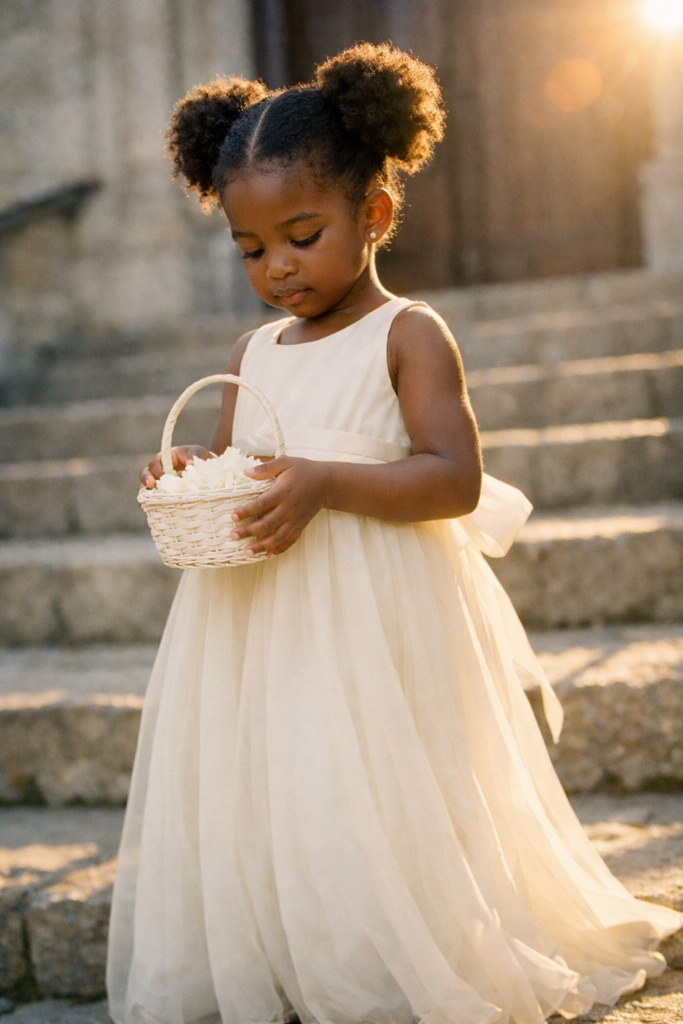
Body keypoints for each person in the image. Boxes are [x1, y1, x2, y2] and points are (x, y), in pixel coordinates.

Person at [107, 43, 682, 1024]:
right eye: (251, 250)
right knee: (291, 785)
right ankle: (299, 945)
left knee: (380, 784)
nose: (277, 266)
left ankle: (399, 954)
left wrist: (328, 481)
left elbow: (452, 478)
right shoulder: (250, 350)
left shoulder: (406, 333)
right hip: (264, 618)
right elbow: (234, 459)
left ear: (371, 214)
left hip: (376, 613)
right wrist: (183, 475)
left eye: (301, 234)